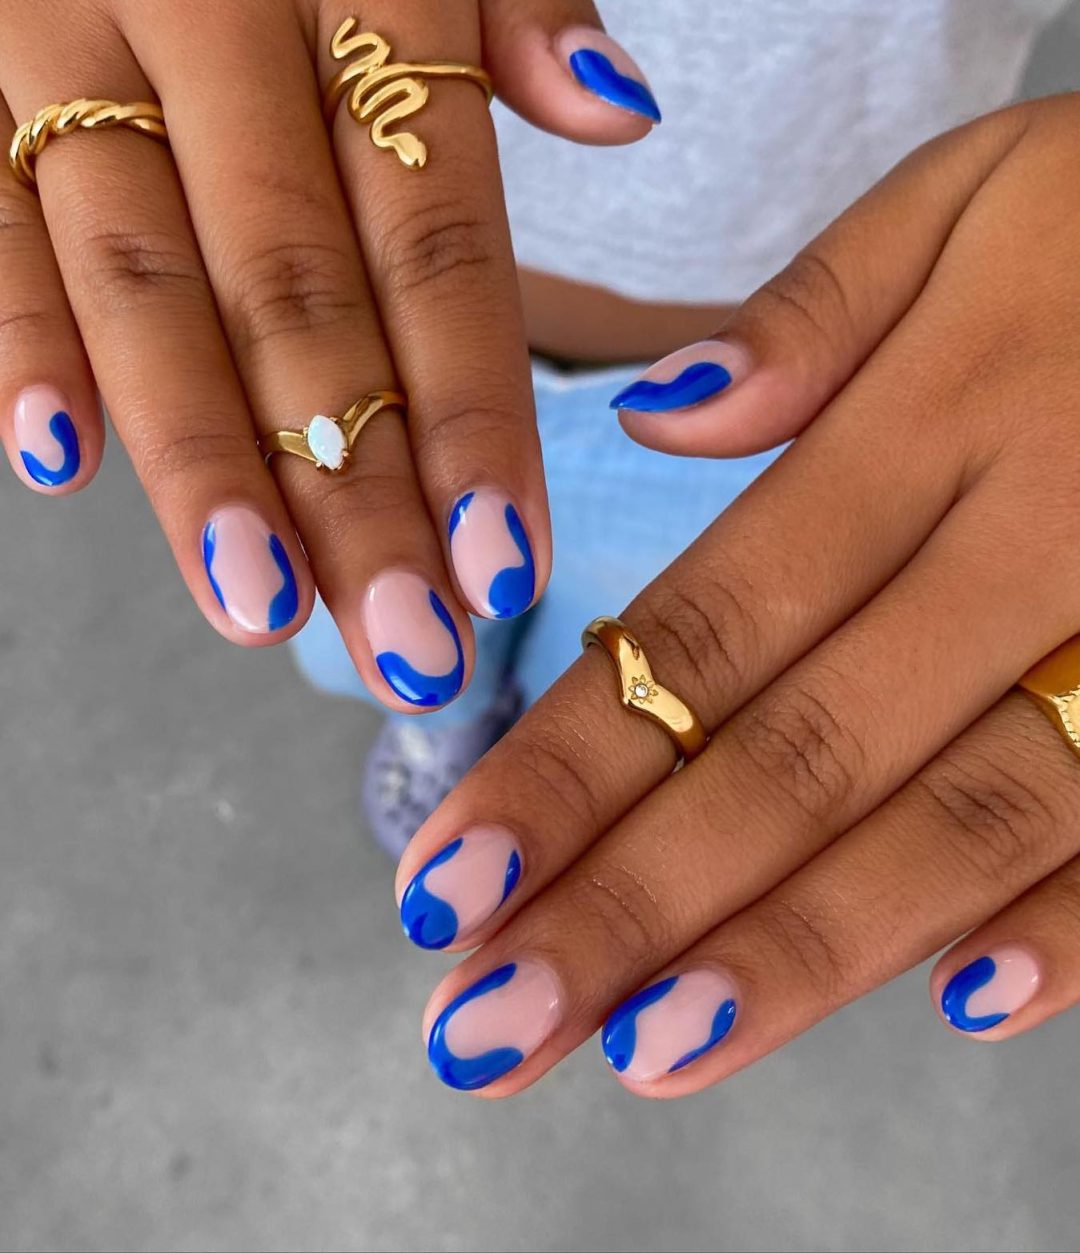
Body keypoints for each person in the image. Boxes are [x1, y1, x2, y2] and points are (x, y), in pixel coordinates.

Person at [5, 1, 1080, 1097]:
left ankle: (466, 738)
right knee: (374, 637)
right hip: (330, 341)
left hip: (844, 405)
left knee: (639, 668)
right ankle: (440, 733)